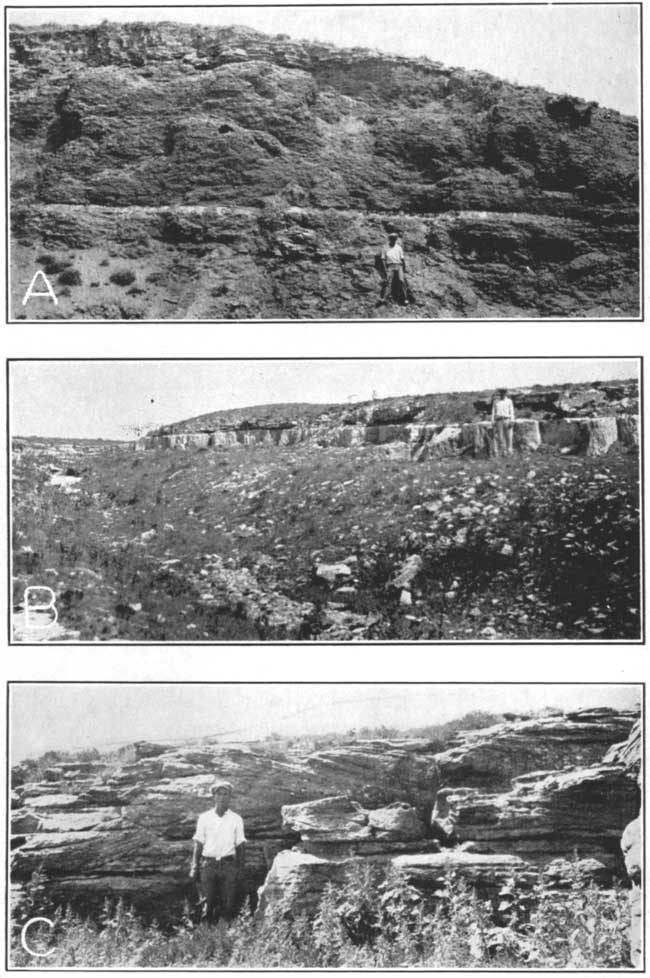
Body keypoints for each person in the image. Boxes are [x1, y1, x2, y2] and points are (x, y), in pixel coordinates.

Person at [190, 780, 246, 928]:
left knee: (228, 903)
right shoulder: (204, 818)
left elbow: (240, 844)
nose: (222, 797)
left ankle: (225, 937)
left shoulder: (236, 819)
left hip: (228, 865)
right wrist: (194, 866)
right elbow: (199, 842)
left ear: (230, 797)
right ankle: (205, 937)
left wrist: (240, 868)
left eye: (225, 794)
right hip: (208, 864)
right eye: (218, 794)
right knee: (206, 903)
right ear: (214, 796)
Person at [380, 233, 409, 305]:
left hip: (399, 265)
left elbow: (402, 259)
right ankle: (384, 298)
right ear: (389, 239)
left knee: (401, 280)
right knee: (388, 281)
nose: (393, 240)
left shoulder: (399, 248)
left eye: (394, 238)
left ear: (396, 239)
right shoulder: (385, 247)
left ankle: (405, 298)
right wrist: (385, 269)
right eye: (392, 238)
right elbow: (383, 259)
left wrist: (404, 268)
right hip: (390, 265)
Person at [491, 388, 515, 456]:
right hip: (499, 421)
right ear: (499, 393)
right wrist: (492, 421)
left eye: (504, 392)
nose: (502, 393)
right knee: (500, 437)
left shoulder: (509, 401)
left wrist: (512, 420)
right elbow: (493, 412)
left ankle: (510, 452)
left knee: (509, 437)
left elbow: (511, 411)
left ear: (506, 393)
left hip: (507, 420)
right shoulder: (496, 401)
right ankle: (503, 452)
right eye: (501, 392)